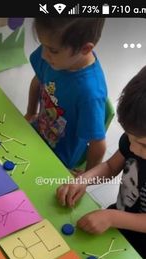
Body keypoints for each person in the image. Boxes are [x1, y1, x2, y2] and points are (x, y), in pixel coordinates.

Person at [56, 58, 146, 259]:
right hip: (118, 222)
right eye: (129, 137)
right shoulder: (138, 138)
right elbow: (111, 167)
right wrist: (84, 180)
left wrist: (112, 218)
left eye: (144, 144)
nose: (132, 147)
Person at [25, 18, 107, 170]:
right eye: (42, 45)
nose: (43, 55)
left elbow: (98, 145)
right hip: (37, 132)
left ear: (85, 49)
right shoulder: (53, 54)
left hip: (58, 159)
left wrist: (85, 180)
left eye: (52, 50)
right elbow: (38, 81)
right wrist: (30, 113)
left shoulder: (89, 94)